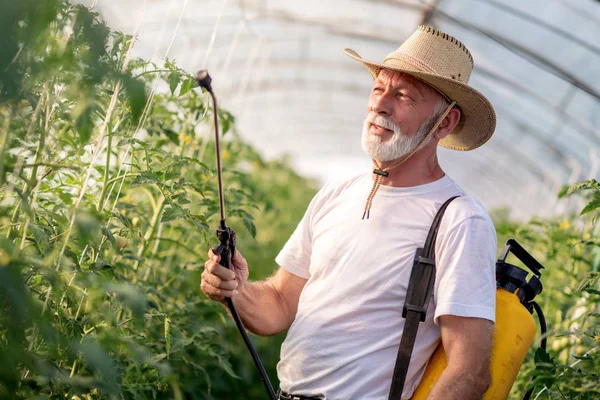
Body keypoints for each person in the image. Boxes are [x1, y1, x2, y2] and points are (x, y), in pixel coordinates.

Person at [201, 25, 498, 400]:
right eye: (378, 88)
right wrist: (237, 290)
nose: (381, 104)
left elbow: (468, 372)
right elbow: (278, 304)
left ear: (446, 123)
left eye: (404, 95)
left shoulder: (458, 220)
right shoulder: (337, 193)